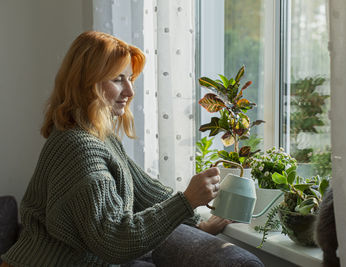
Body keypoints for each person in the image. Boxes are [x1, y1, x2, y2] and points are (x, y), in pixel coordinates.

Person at [0, 31, 264, 266]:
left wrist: (197, 221)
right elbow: (114, 240)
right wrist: (187, 201)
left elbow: (146, 191)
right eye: (118, 79)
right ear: (86, 84)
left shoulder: (97, 136)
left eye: (129, 78)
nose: (130, 90)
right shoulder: (78, 147)